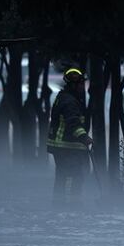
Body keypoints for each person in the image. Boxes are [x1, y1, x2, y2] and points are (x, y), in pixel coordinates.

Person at [46, 67, 93, 205]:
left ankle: (59, 204)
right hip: (66, 146)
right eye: (80, 84)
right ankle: (72, 206)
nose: (82, 87)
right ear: (73, 85)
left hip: (62, 146)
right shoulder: (69, 101)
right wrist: (85, 137)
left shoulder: (64, 97)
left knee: (62, 176)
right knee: (74, 176)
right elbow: (73, 123)